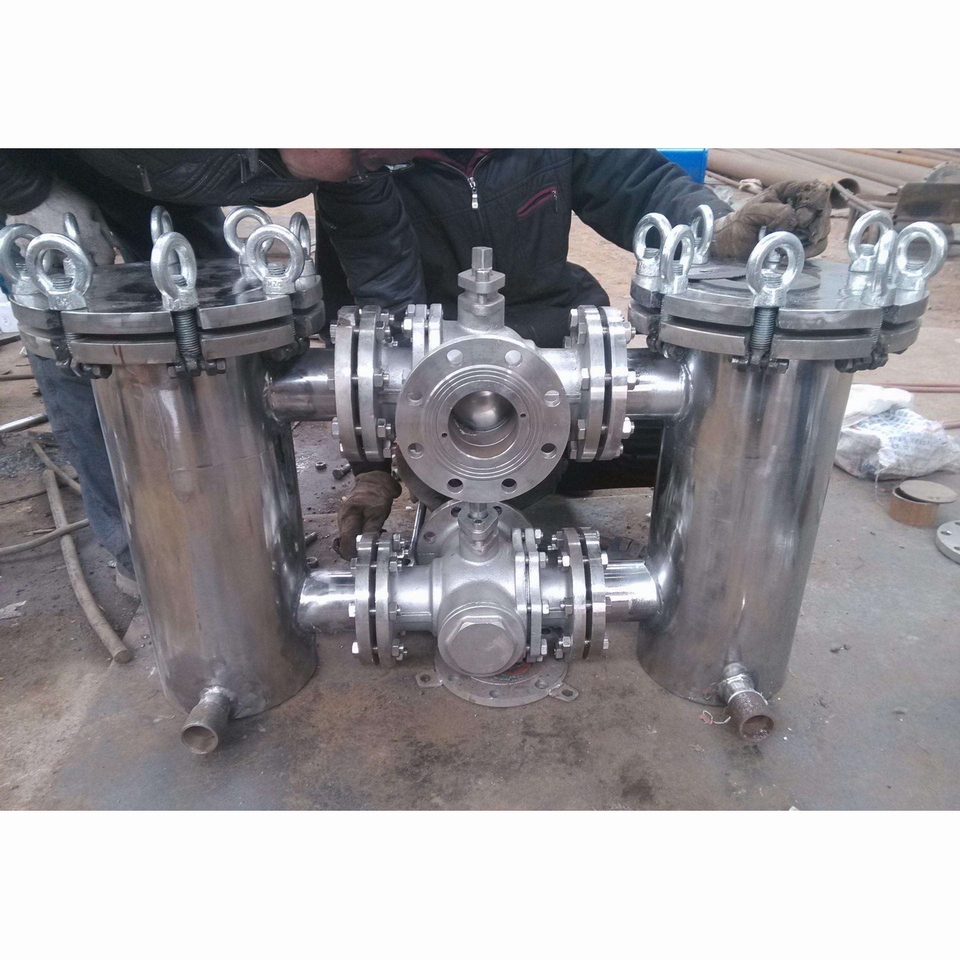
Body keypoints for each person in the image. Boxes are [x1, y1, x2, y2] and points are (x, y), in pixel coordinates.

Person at [321, 149, 832, 556]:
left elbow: (638, 182)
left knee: (700, 439)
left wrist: (716, 230)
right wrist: (372, 467)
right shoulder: (369, 160)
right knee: (471, 488)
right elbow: (364, 331)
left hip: (560, 352)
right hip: (447, 391)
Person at [0, 148, 417, 593]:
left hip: (176, 182)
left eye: (378, 162)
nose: (368, 165)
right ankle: (147, 558)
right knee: (75, 342)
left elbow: (379, 269)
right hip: (62, 164)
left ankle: (253, 532)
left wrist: (382, 442)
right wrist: (28, 192)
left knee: (225, 317)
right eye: (363, 155)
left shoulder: (354, 166)